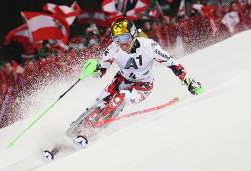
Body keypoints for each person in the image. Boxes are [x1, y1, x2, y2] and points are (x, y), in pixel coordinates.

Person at [67, 17, 202, 144]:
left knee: (122, 97)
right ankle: (75, 128)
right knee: (101, 101)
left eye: (124, 37)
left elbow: (172, 63)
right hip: (121, 80)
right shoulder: (113, 48)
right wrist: (94, 70)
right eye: (117, 39)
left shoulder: (149, 46)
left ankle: (94, 130)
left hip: (143, 87)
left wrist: (188, 81)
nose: (122, 43)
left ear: (132, 34)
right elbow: (102, 70)